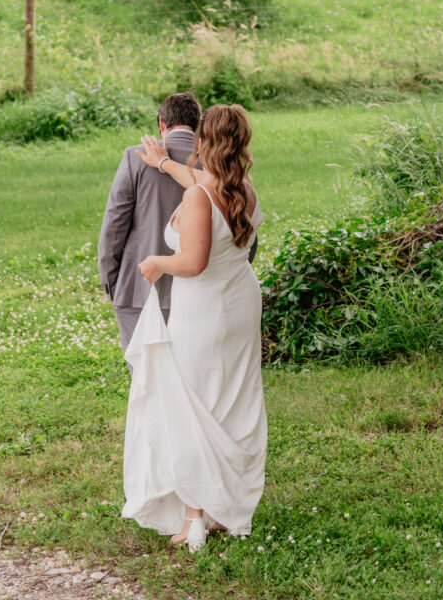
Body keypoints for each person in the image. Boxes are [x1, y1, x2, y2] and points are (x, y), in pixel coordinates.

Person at [121, 104, 267, 552]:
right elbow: (202, 189)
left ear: (203, 141)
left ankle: (194, 519)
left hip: (202, 311)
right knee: (229, 402)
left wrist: (154, 262)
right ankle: (224, 508)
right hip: (240, 304)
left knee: (190, 405)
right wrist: (162, 163)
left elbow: (192, 261)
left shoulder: (200, 198)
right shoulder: (242, 188)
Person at [98, 92, 202, 364]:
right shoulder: (215, 159)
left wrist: (113, 283)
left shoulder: (135, 157)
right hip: (200, 288)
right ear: (198, 124)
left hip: (138, 287)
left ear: (161, 123)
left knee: (144, 377)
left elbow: (114, 224)